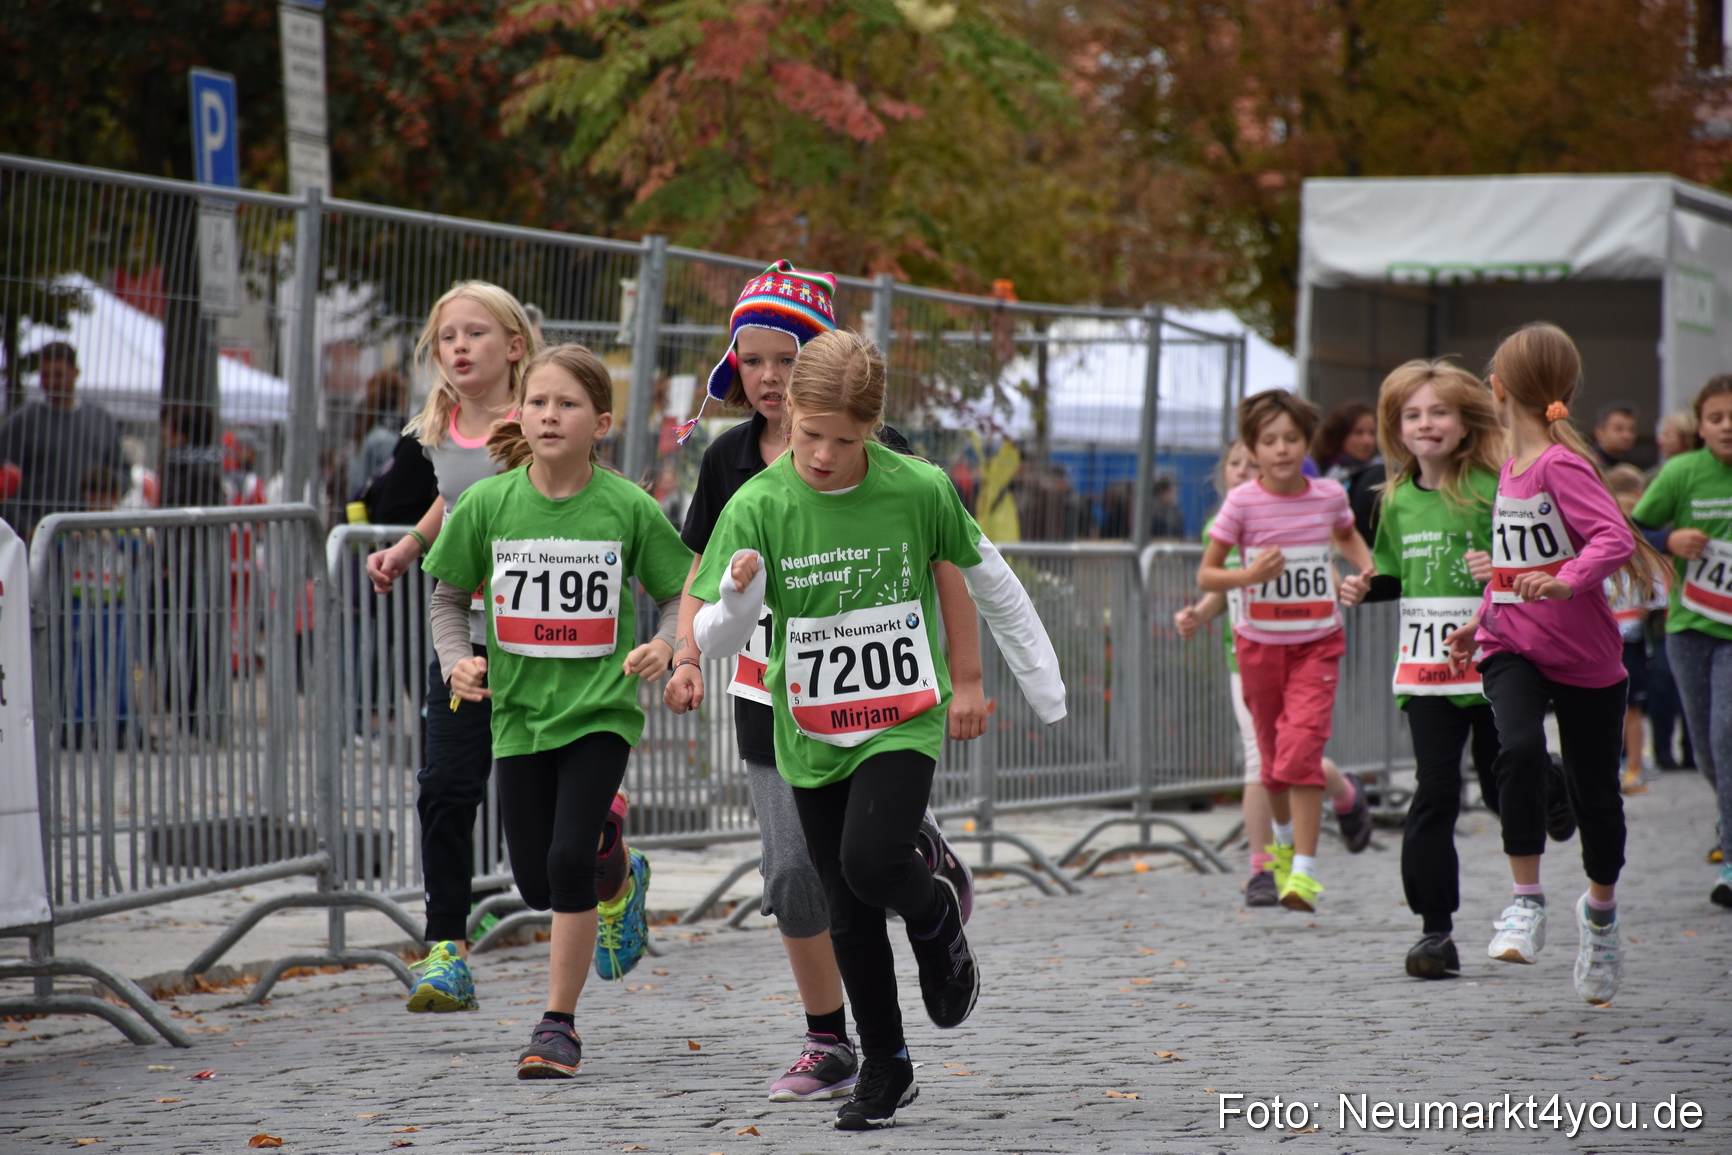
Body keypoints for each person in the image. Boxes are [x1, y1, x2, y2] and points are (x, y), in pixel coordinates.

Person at [689, 329, 1065, 1131]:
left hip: (901, 715)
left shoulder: (918, 488)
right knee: (847, 906)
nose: (822, 455)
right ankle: (887, 1062)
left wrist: (1003, 683)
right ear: (790, 413)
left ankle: (933, 914)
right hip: (809, 728)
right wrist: (737, 597)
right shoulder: (757, 503)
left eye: (843, 440)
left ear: (873, 429)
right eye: (809, 435)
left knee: (870, 859)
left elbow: (984, 579)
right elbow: (713, 637)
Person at [665, 263, 981, 1104]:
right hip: (774, 691)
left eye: (786, 358)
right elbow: (701, 573)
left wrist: (972, 676)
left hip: (881, 697)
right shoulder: (730, 461)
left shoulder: (885, 451)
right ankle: (834, 1040)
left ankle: (915, 861)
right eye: (752, 360)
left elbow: (947, 553)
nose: (768, 377)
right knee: (794, 875)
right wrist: (687, 651)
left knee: (861, 860)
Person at [364, 283, 653, 1012]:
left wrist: (672, 647)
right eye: (446, 336)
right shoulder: (437, 427)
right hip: (472, 644)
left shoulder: (547, 415)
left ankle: (605, 867)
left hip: (562, 656)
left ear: (515, 345)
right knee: (447, 784)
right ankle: (446, 947)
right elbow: (461, 504)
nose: (458, 347)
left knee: (563, 848)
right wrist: (409, 547)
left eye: (475, 333)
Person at [422, 343, 692, 1077]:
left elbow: (679, 590)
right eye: (538, 402)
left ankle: (557, 1026)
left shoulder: (627, 506)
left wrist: (665, 645)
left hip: (601, 712)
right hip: (518, 716)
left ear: (600, 422)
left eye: (567, 404)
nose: (549, 415)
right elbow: (447, 598)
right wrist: (457, 660)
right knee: (538, 882)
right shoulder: (488, 504)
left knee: (567, 861)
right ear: (519, 414)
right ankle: (619, 865)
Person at [1443, 323, 1666, 1004]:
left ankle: (1600, 916)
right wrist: (1479, 617)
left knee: (1596, 796)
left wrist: (1567, 582)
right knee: (1515, 749)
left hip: (1583, 655)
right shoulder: (1510, 469)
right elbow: (1513, 566)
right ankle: (1526, 900)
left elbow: (1611, 537)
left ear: (1499, 387)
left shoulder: (1559, 465)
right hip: (1512, 642)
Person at [1357, 360, 1508, 978]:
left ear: (1465, 422)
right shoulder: (1394, 499)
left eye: (1439, 412)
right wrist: (1363, 587)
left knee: (1503, 788)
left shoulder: (1494, 487)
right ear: (1396, 427)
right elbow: (1393, 574)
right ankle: (1434, 932)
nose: (1426, 424)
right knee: (1436, 791)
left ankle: (1554, 787)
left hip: (1495, 665)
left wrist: (1498, 569)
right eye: (1412, 415)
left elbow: (1537, 563)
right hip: (1427, 674)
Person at [1198, 390, 1375, 913]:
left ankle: (1304, 872)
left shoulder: (1327, 495)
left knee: (1301, 752)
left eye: (1292, 439)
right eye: (1270, 441)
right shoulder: (1242, 503)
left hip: (1316, 645)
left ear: (1307, 442)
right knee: (1273, 763)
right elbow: (1207, 574)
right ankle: (1280, 843)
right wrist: (1248, 575)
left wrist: (1364, 571)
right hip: (1258, 647)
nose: (1281, 449)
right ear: (1253, 448)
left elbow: (1347, 537)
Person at [1632, 374, 1732, 904]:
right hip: (1690, 627)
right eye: (1717, 418)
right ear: (1701, 426)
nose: (1727, 426)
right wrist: (1669, 538)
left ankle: (1731, 862)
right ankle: (1726, 813)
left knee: (1727, 734)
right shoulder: (1681, 472)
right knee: (1708, 751)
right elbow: (1631, 529)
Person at [0, 341, 129, 539]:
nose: (52, 382)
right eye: (45, 375)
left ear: (76, 373)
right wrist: (25, 527)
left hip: (90, 535)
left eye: (59, 375)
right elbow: (4, 483)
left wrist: (109, 494)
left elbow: (122, 470)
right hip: (39, 537)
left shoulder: (101, 420)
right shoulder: (21, 423)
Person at [1602, 465, 1666, 795]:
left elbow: (1660, 592)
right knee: (1604, 705)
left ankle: (1635, 767)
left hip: (1633, 640)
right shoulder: (1597, 550)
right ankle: (1609, 765)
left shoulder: (1642, 555)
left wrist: (1648, 603)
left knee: (1632, 705)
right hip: (1603, 639)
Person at [1646, 410, 1698, 771]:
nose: (1660, 441)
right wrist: (1668, 540)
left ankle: (1693, 752)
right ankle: (1663, 750)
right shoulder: (1661, 476)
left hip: (1706, 597)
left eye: (1667, 434)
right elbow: (1633, 527)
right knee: (1662, 681)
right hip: (1664, 599)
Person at [1312, 399, 1384, 543]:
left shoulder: (1381, 473)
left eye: (1372, 433)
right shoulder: (1321, 477)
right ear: (1339, 434)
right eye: (1358, 432)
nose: (1367, 441)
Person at [1591, 404, 1639, 470]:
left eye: (1631, 430)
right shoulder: (1589, 463)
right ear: (1600, 432)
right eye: (1619, 429)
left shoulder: (1635, 464)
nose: (1626, 436)